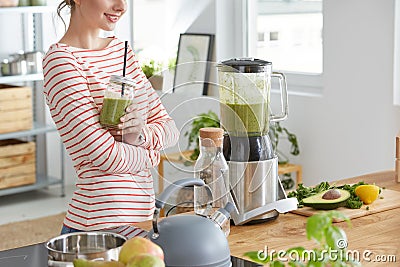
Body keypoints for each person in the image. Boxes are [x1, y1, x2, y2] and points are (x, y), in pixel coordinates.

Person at [43, 0, 179, 238]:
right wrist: (151, 154)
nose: (121, 6)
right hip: (96, 231)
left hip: (142, 224)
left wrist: (141, 135)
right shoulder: (61, 62)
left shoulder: (122, 52)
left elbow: (169, 128)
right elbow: (106, 156)